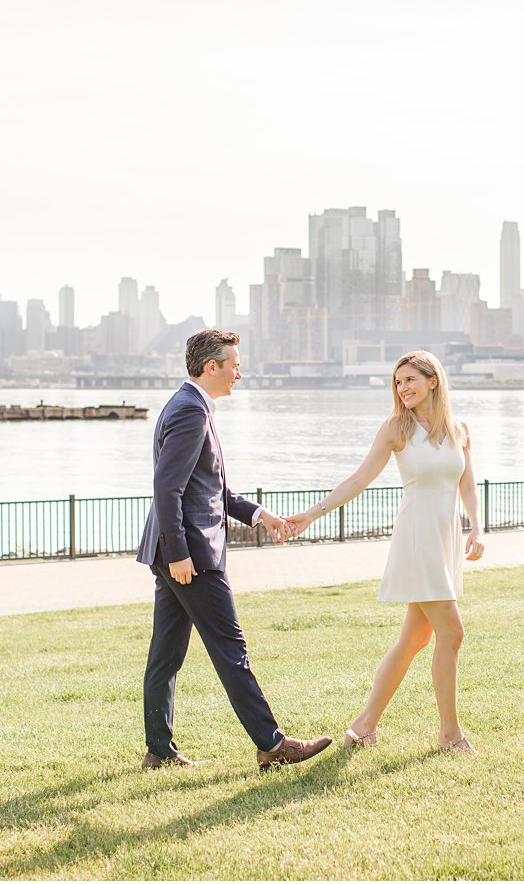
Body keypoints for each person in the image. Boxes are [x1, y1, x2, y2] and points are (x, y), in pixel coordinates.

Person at [137, 328, 332, 771]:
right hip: (191, 555)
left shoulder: (189, 406)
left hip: (176, 549)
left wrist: (262, 516)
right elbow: (167, 489)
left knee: (165, 655)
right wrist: (180, 553)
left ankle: (159, 751)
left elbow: (213, 490)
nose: (239, 374)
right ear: (212, 367)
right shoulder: (190, 412)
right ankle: (272, 743)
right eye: (234, 365)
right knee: (230, 648)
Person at [289, 350, 485, 754]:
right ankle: (450, 734)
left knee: (415, 639)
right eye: (398, 383)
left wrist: (477, 528)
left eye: (410, 379)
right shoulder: (397, 428)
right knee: (452, 632)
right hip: (417, 538)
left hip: (445, 537)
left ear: (433, 380)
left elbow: (466, 484)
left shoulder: (459, 428)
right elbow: (361, 476)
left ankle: (363, 727)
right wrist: (313, 513)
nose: (403, 388)